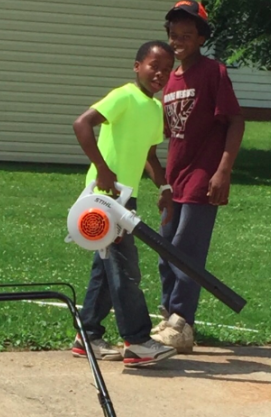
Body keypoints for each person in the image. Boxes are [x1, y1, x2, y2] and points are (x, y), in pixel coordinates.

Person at [70, 40, 178, 367]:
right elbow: (81, 124)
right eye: (153, 66)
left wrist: (165, 185)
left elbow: (148, 154)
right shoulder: (123, 96)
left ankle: (87, 335)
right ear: (137, 66)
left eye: (166, 69)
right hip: (105, 199)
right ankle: (139, 341)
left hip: (126, 198)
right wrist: (103, 169)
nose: (159, 73)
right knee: (125, 269)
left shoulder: (155, 109)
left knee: (108, 268)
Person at [150, 0, 245, 353]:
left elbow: (235, 120)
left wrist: (223, 170)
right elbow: (161, 134)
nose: (179, 39)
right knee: (165, 249)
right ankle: (168, 315)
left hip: (203, 176)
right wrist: (161, 178)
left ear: (201, 37)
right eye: (174, 33)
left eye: (187, 33)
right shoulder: (170, 81)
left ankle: (182, 323)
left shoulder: (212, 72)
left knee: (187, 250)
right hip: (174, 180)